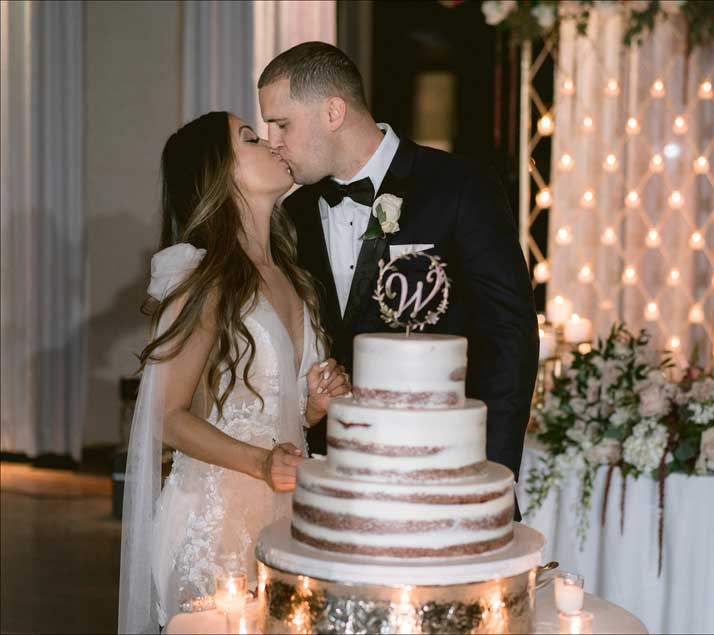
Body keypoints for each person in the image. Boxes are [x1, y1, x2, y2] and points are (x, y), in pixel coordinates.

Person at [257, 42, 539, 487]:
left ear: (333, 112)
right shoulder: (292, 218)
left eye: (281, 124)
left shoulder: (461, 188)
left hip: (443, 463)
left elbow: (510, 340)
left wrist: (492, 475)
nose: (273, 143)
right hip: (337, 475)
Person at [117, 111, 350, 633]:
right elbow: (166, 417)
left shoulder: (297, 279)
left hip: (289, 516)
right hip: (214, 524)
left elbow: (273, 409)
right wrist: (261, 462)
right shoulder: (205, 280)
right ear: (217, 174)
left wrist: (311, 404)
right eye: (249, 138)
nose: (270, 141)